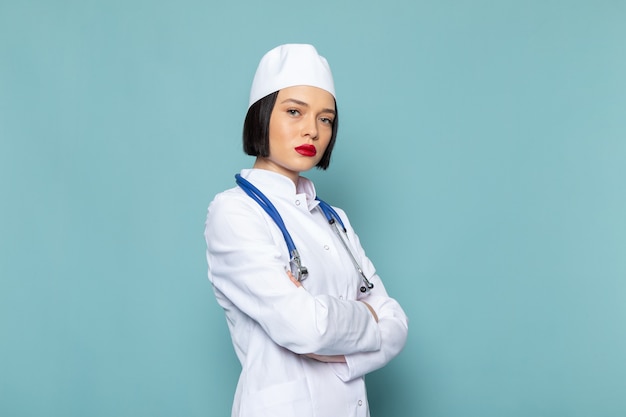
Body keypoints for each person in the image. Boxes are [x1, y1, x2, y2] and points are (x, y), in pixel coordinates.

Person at [204, 44, 408, 417]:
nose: (312, 131)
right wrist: (368, 319)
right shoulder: (234, 212)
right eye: (294, 111)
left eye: (326, 119)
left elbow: (396, 325)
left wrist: (337, 335)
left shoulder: (335, 219)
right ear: (261, 115)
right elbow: (306, 329)